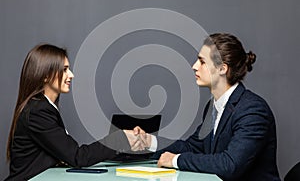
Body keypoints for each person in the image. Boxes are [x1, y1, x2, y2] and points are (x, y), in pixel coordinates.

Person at [133, 33, 281, 181]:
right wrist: (148, 142)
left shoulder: (252, 110)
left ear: (222, 69)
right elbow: (193, 147)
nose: (194, 66)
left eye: (202, 62)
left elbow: (229, 165)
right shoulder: (213, 107)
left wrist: (175, 161)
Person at [5, 44, 140, 180]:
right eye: (64, 70)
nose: (71, 75)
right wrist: (120, 139)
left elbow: (65, 156)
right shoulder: (37, 112)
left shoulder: (44, 107)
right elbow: (77, 157)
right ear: (45, 75)